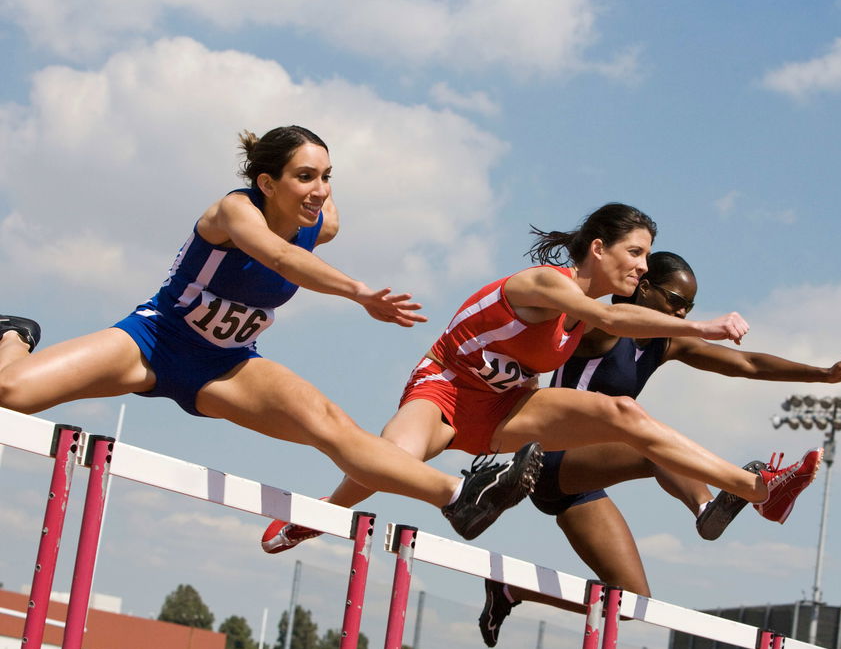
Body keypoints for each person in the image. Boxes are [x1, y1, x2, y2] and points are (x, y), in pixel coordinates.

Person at [0, 126, 540, 541]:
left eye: (328, 177)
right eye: (306, 177)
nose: (320, 190)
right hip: (154, 341)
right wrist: (359, 293)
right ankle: (15, 337)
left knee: (335, 429)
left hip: (227, 364)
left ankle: (462, 493)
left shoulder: (321, 221)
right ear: (266, 183)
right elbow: (280, 257)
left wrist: (317, 181)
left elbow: (305, 231)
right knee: (10, 396)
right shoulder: (234, 209)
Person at [263, 203, 820, 553]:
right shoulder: (546, 284)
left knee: (624, 414)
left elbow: (615, 318)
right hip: (447, 388)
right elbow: (612, 318)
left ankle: (757, 490)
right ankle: (317, 516)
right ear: (598, 248)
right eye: (637, 253)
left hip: (510, 406)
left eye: (647, 258)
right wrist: (705, 326)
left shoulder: (591, 305)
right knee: (389, 459)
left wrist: (821, 371)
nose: (644, 267)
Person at [476, 250, 841, 646]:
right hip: (548, 458)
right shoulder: (602, 327)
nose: (682, 315)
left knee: (633, 601)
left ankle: (512, 591)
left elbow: (747, 364)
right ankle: (710, 507)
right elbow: (577, 315)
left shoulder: (665, 343)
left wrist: (825, 375)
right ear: (644, 287)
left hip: (578, 483)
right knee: (646, 436)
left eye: (689, 307)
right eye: (675, 302)